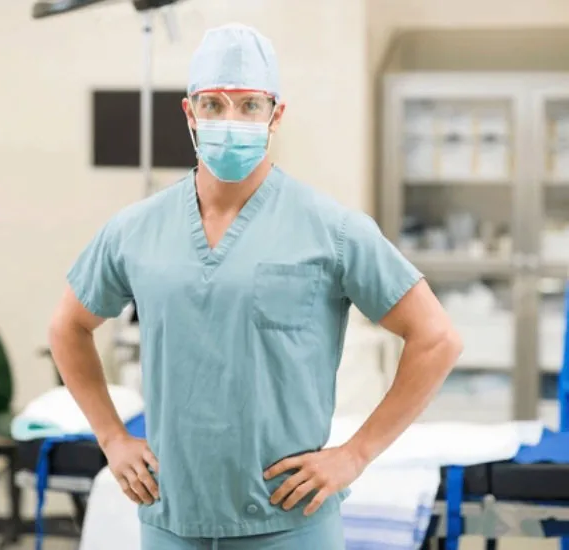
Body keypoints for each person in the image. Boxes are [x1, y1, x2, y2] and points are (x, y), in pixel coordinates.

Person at [49, 23, 462, 550]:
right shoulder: (136, 229)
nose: (230, 120)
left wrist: (354, 454)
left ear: (277, 114)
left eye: (249, 105)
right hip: (172, 518)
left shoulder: (330, 228)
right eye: (214, 104)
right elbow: (68, 326)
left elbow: (436, 338)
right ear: (189, 112)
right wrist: (111, 436)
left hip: (290, 524)